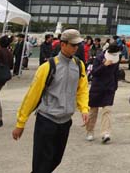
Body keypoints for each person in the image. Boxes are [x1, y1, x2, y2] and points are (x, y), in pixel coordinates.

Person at [13, 29, 89, 173]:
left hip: (65, 122)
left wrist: (84, 109)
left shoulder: (79, 65)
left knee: (55, 159)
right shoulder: (47, 67)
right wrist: (20, 122)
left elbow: (82, 89)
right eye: (73, 45)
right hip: (47, 121)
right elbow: (32, 96)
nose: (76, 48)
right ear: (63, 44)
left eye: (77, 45)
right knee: (41, 163)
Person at [85, 43, 120, 143]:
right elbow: (94, 72)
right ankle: (90, 131)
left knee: (107, 110)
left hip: (109, 88)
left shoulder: (116, 59)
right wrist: (104, 65)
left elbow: (115, 73)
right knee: (93, 111)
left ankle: (105, 133)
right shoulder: (99, 58)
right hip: (97, 87)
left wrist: (115, 86)